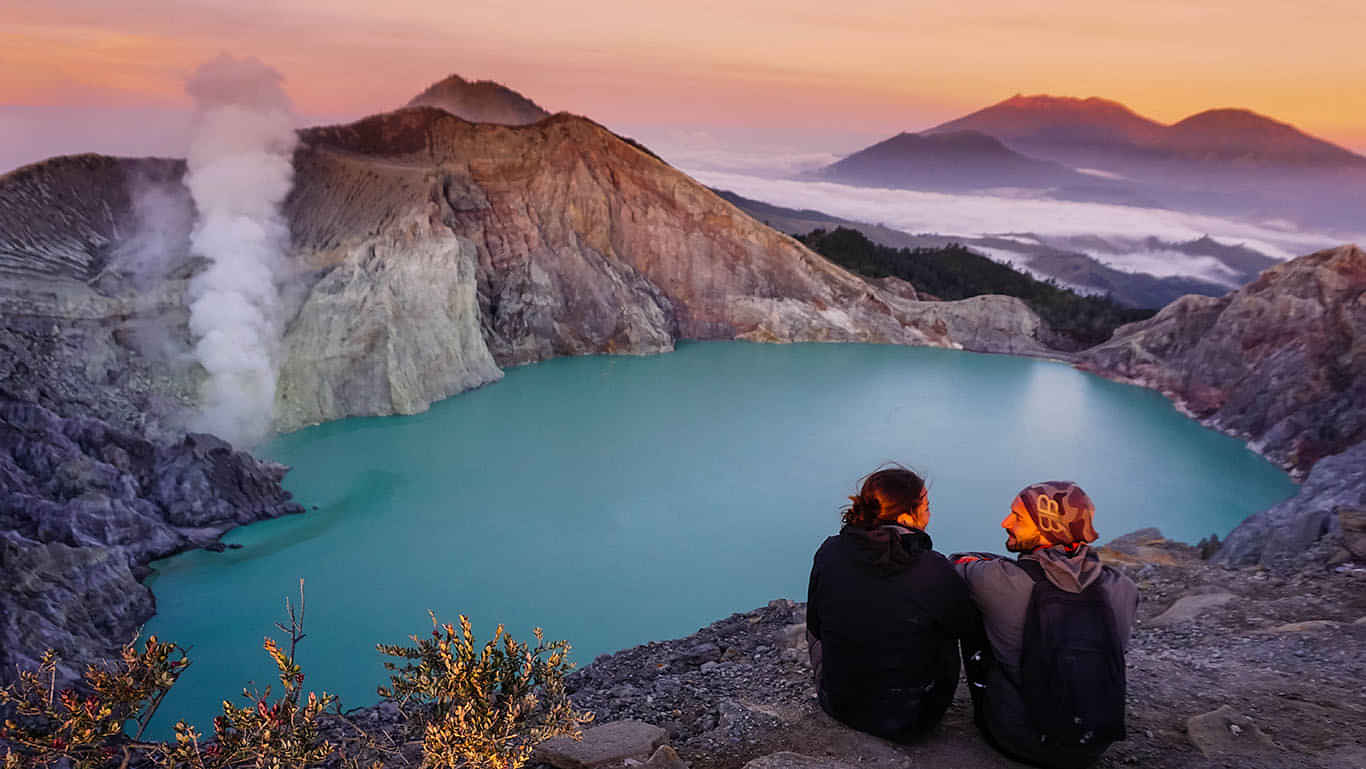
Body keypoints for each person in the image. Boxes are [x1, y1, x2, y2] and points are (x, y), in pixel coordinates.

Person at [953, 481, 1139, 769]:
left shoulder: (996, 578)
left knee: (973, 607)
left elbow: (957, 563)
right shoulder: (1122, 587)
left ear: (1049, 526)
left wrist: (997, 563)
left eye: (1017, 517)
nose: (1005, 522)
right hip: (1093, 743)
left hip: (1017, 740)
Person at [806, 467, 980, 741]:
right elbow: (966, 625)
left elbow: (815, 623)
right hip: (913, 719)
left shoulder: (829, 551)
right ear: (905, 517)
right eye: (926, 507)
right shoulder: (932, 567)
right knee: (947, 625)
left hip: (840, 705)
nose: (930, 514)